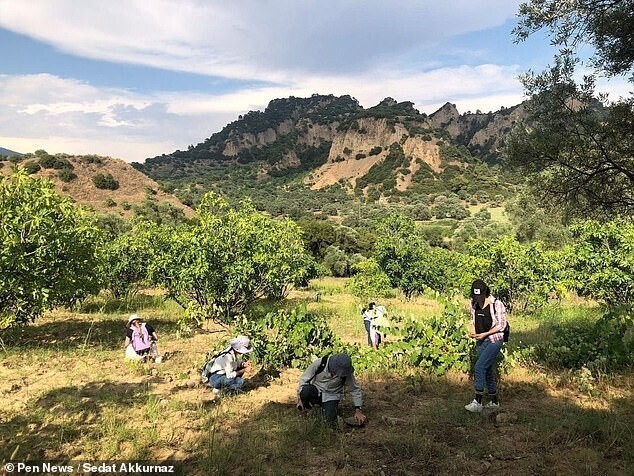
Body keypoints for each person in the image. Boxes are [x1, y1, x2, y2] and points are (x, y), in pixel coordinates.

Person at [465, 280, 507, 413]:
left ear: (485, 293)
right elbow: (473, 320)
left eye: (480, 295)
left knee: (479, 366)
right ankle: (494, 401)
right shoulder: (473, 304)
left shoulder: (497, 304)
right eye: (475, 296)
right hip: (481, 341)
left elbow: (502, 325)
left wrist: (485, 334)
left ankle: (477, 401)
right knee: (487, 370)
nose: (478, 298)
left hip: (494, 340)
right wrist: (473, 331)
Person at [297, 353, 366, 426]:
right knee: (306, 391)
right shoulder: (319, 363)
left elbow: (354, 389)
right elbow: (303, 380)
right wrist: (300, 398)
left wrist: (358, 410)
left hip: (331, 395)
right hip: (315, 390)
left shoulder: (346, 373)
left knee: (329, 422)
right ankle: (308, 407)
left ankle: (321, 411)